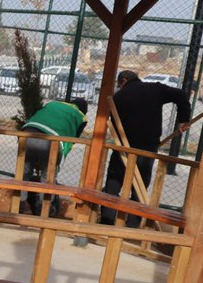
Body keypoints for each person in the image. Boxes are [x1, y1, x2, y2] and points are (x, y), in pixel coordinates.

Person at [100, 70, 191, 226]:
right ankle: (133, 224)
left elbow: (113, 122)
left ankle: (107, 220)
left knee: (114, 182)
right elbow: (181, 95)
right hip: (147, 145)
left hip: (123, 145)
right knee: (140, 185)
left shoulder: (118, 97)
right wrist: (183, 119)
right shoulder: (155, 89)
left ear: (123, 80)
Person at [20, 98, 88, 216]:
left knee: (24, 172)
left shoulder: (53, 103)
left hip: (26, 134)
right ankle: (43, 209)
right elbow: (72, 140)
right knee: (48, 176)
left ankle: (18, 205)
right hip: (51, 140)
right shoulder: (81, 116)